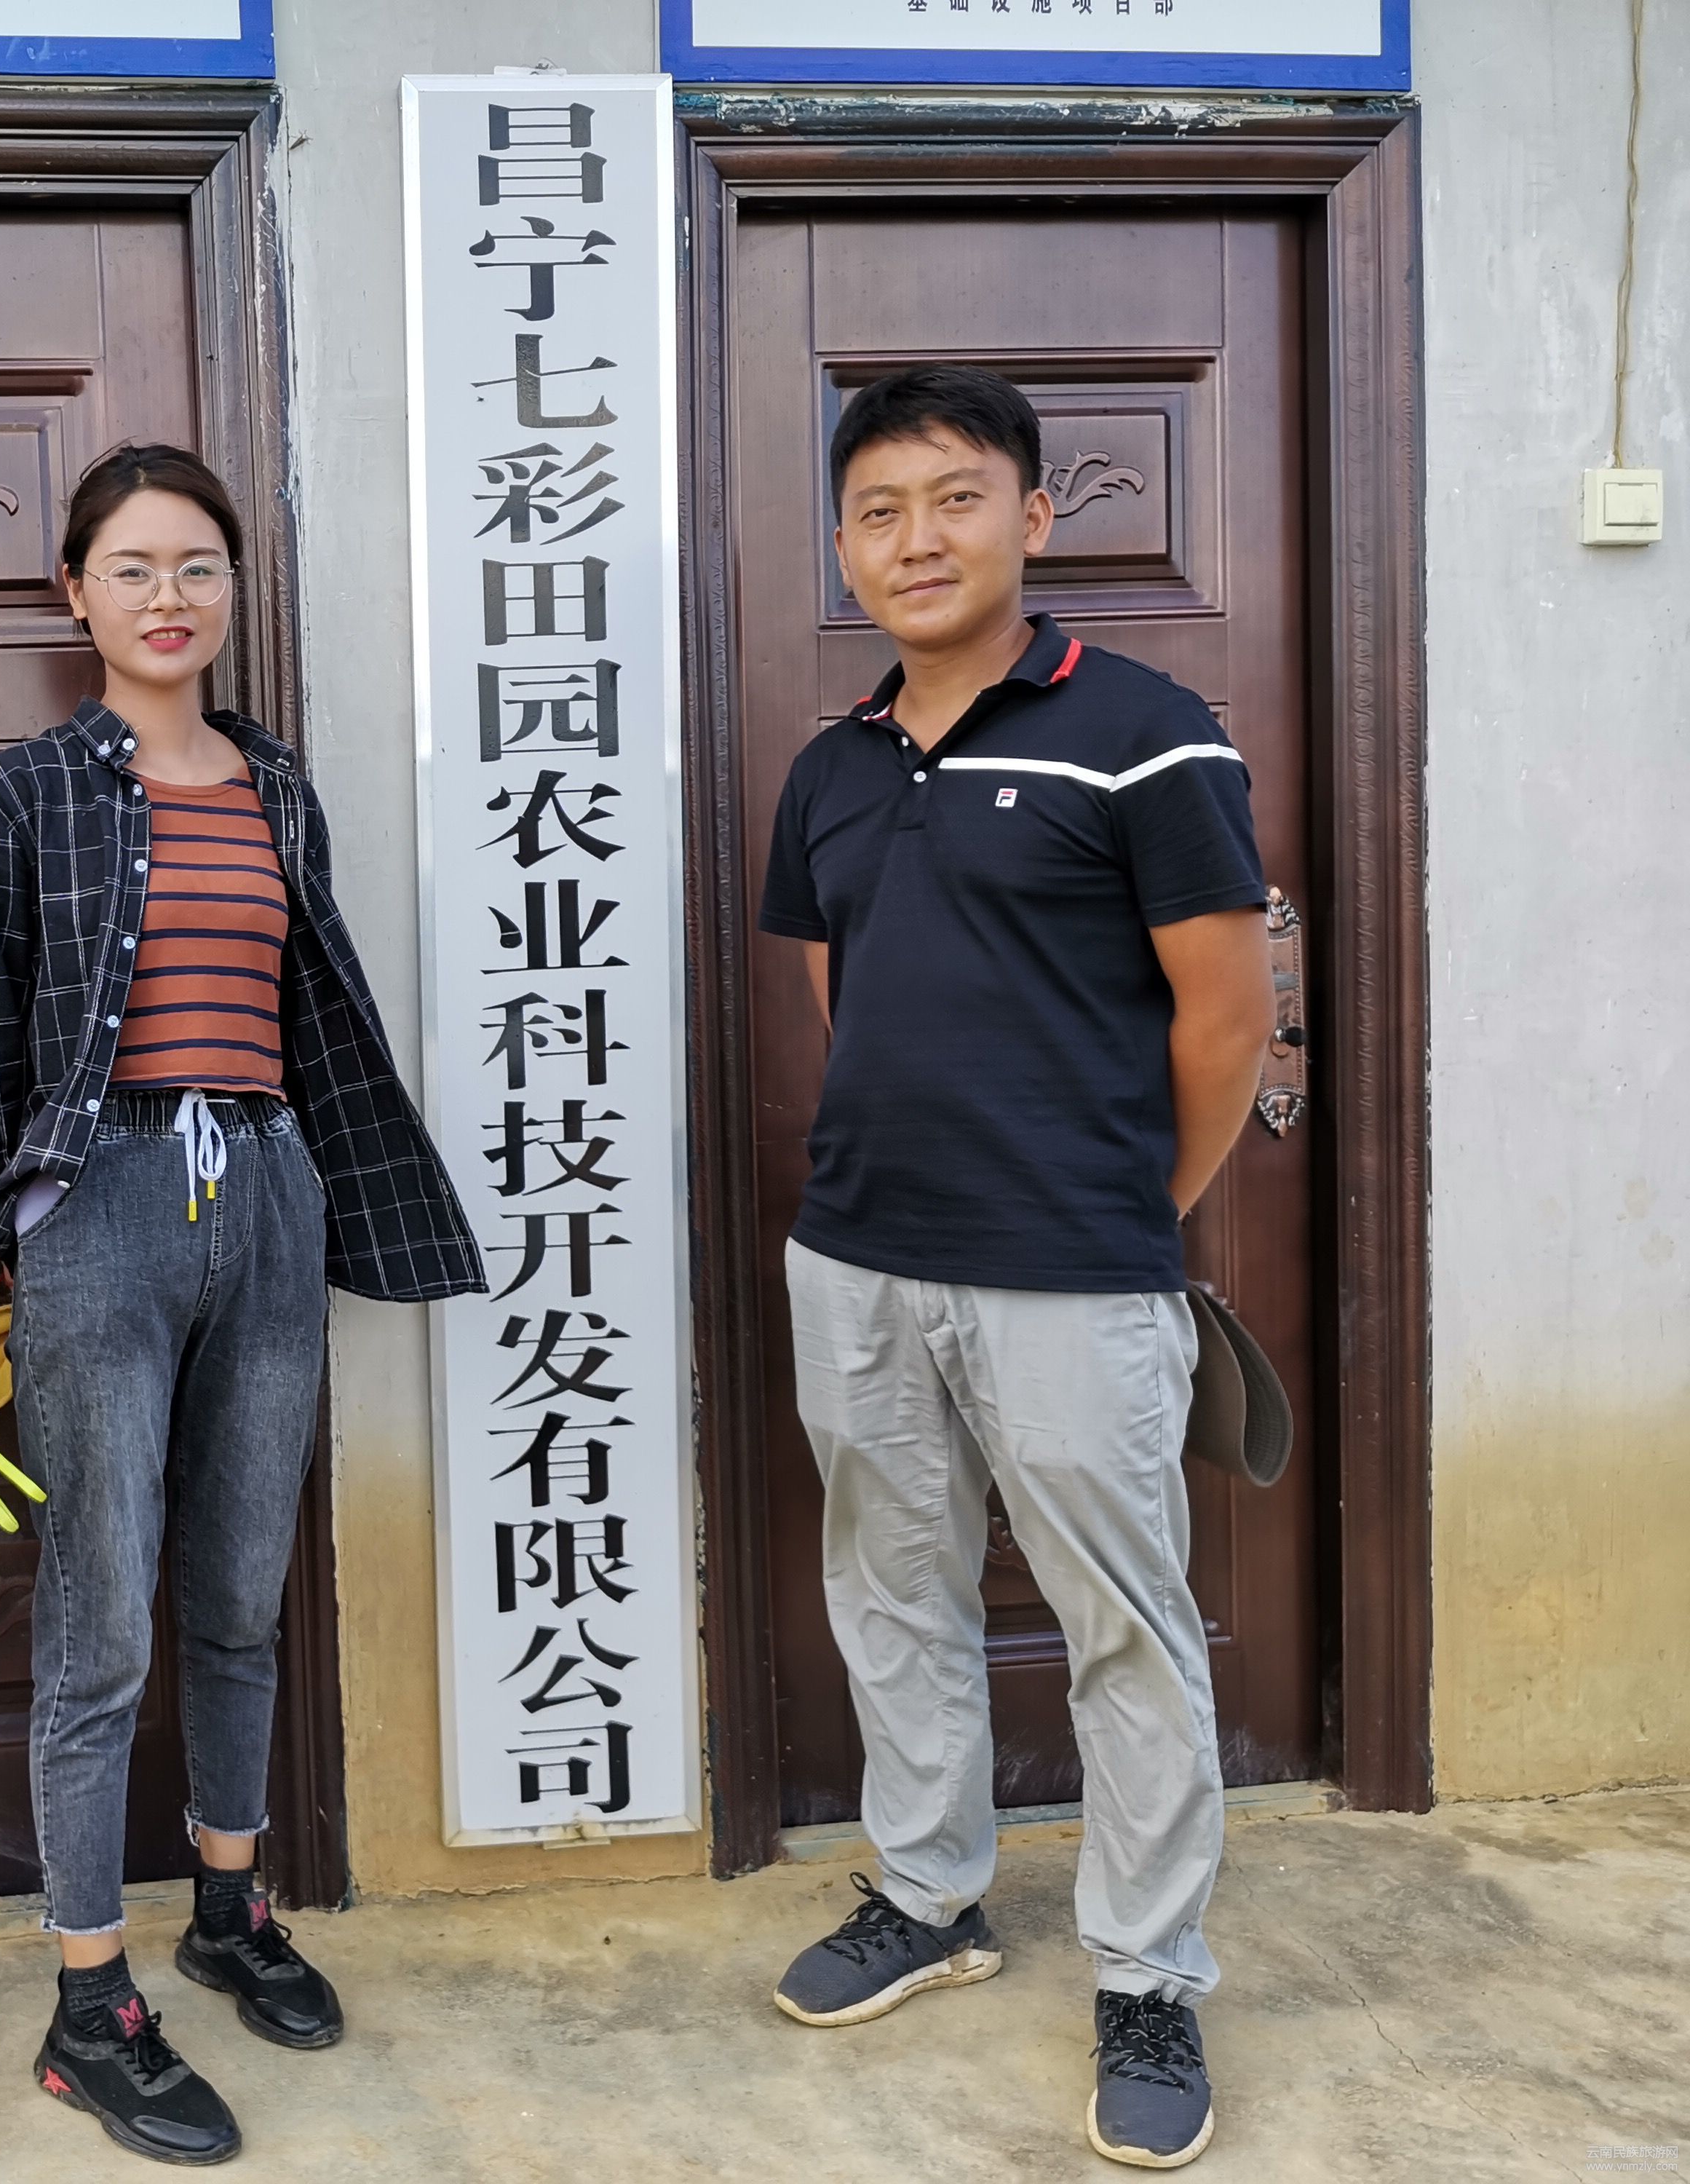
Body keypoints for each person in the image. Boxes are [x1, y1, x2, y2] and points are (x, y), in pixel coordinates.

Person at [0, 444, 482, 2166]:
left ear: (230, 592)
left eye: (197, 568)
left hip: (265, 1184)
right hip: (97, 1201)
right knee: (101, 1616)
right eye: (132, 568)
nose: (167, 598)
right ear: (73, 595)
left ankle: (227, 1911)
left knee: (241, 1587)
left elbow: (307, 1003)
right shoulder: (24, 791)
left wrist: (305, 1182)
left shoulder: (274, 786)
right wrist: (23, 1225)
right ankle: (88, 2000)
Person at [756, 367, 1274, 2172]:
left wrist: (1126, 1206)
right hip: (857, 1261)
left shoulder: (1143, 729)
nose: (916, 538)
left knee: (1122, 1626)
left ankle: (1148, 1973)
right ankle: (928, 1894)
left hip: (1071, 1270)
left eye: (953, 497)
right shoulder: (828, 769)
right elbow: (840, 1004)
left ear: (1032, 517)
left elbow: (1226, 1017)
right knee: (890, 1592)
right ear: (843, 545)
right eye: (877, 511)